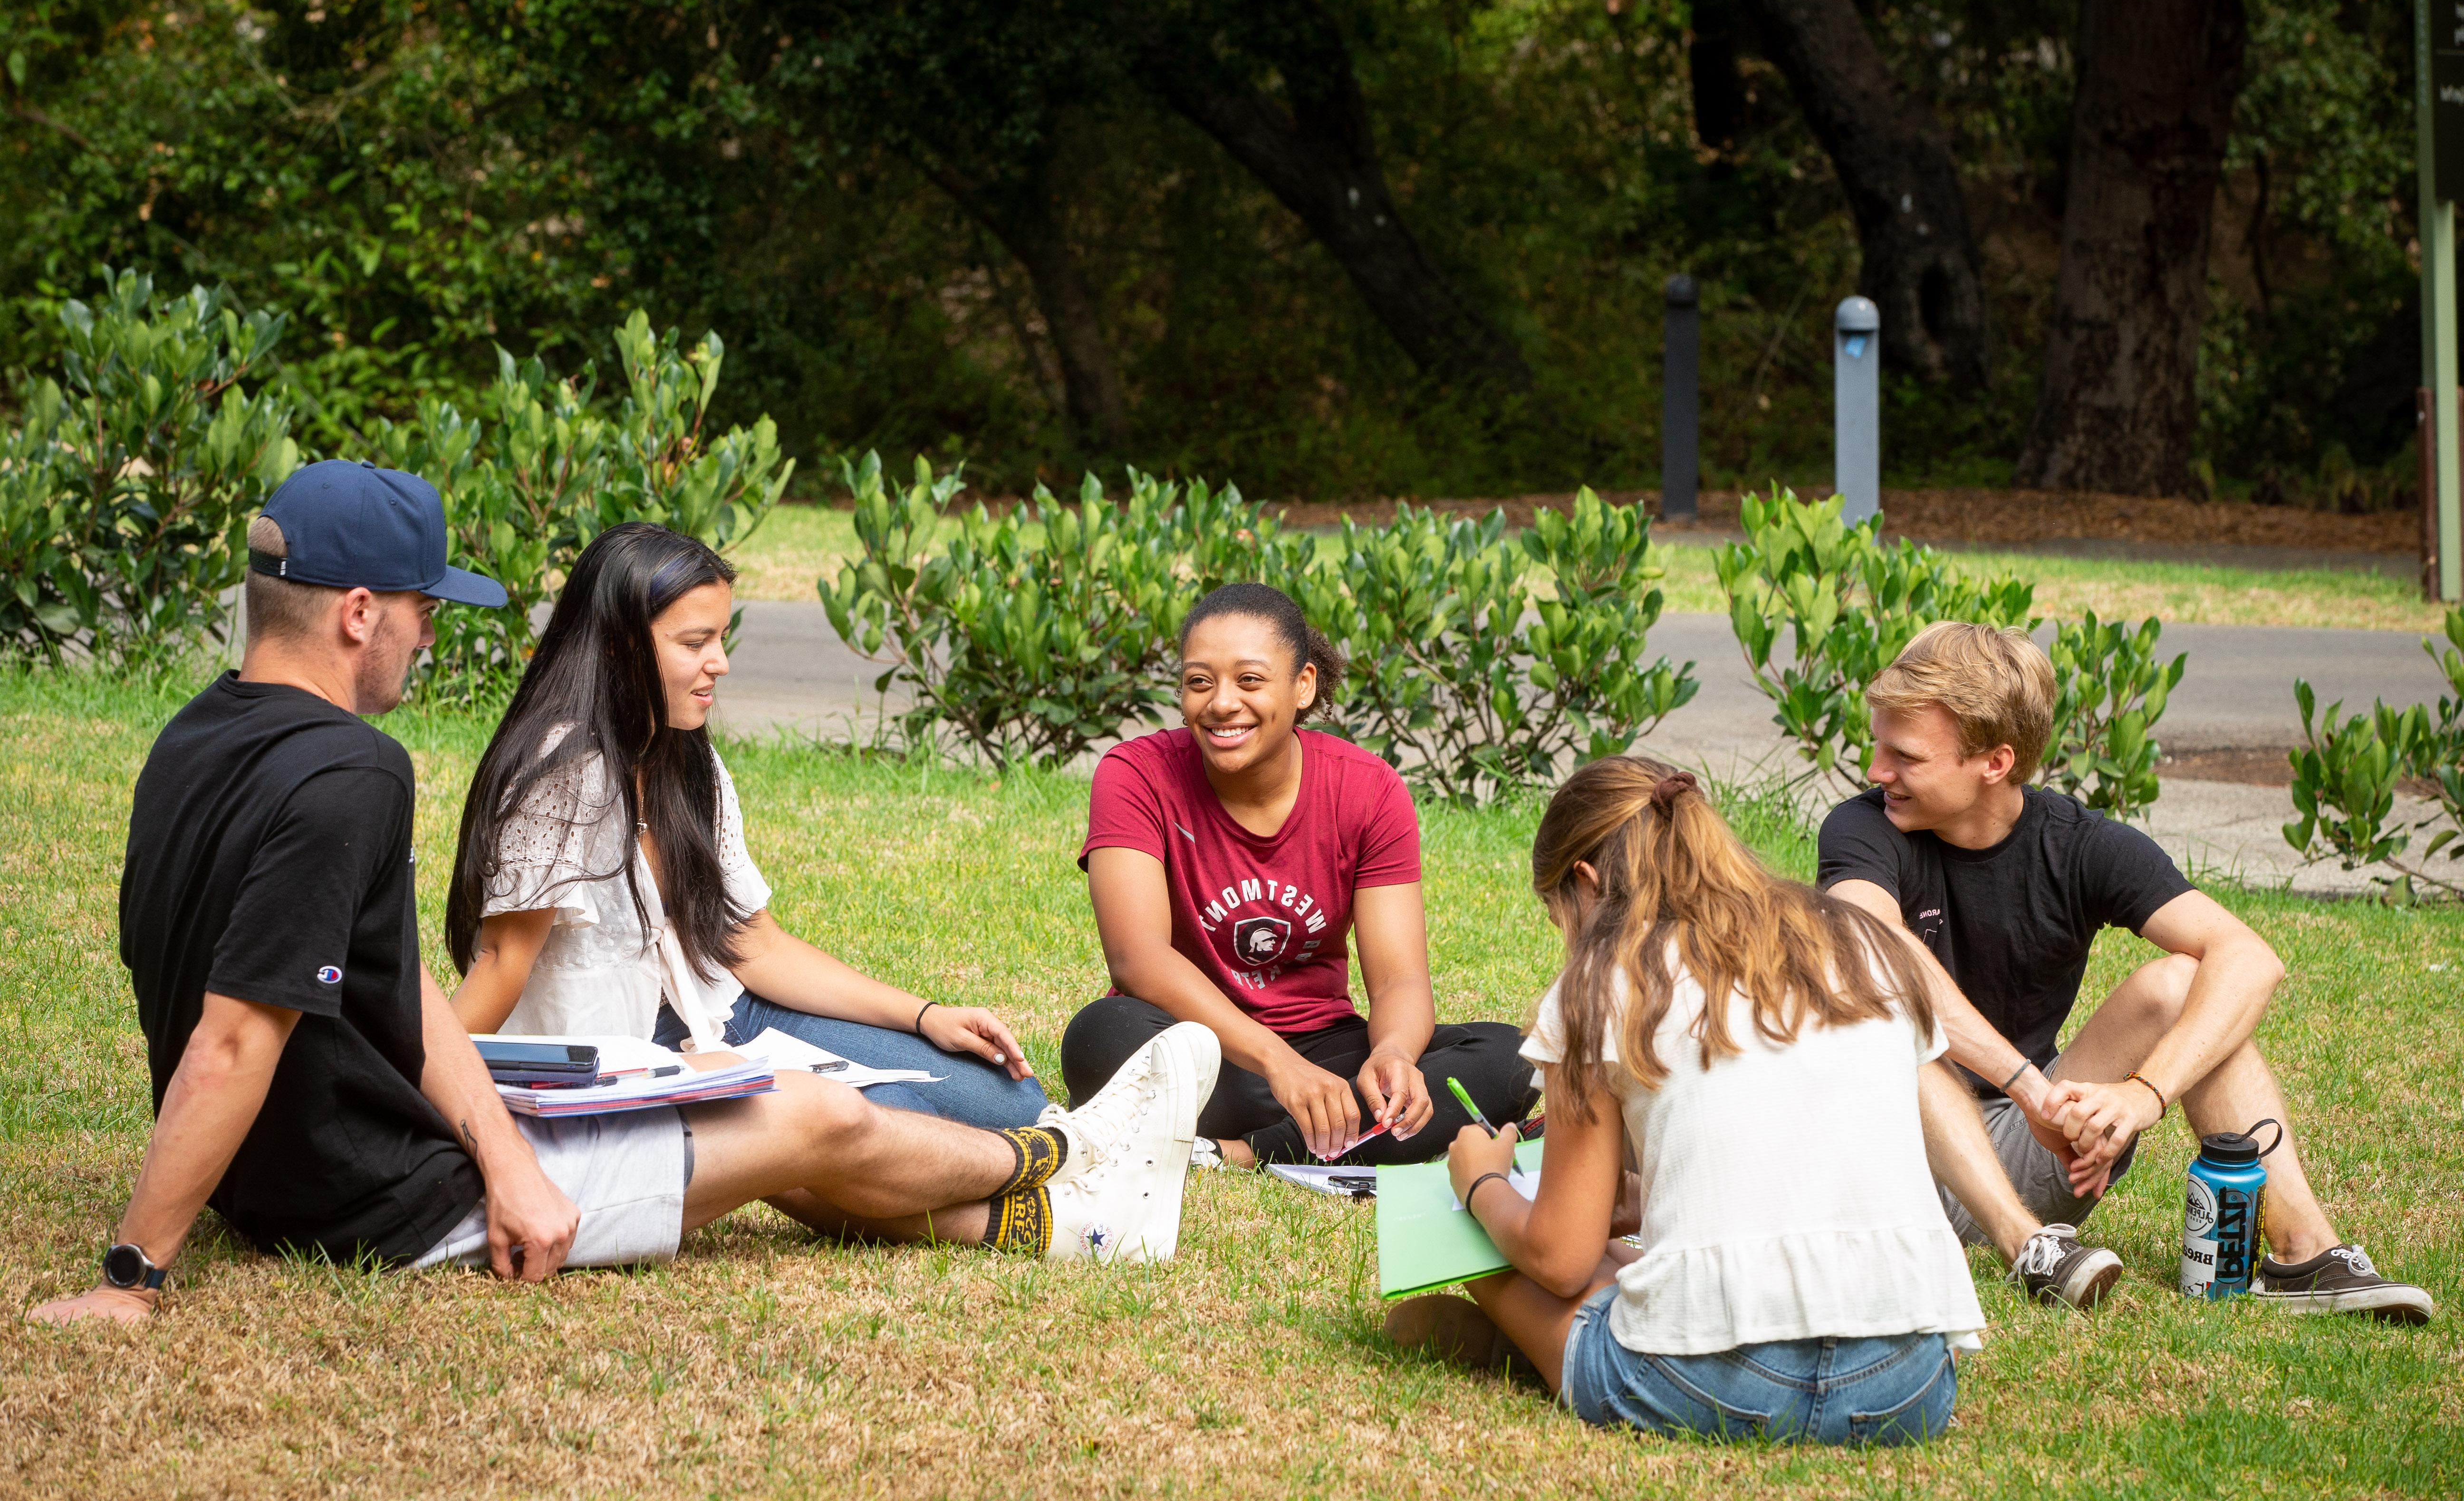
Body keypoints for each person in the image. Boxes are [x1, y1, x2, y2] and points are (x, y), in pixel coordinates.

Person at [31, 465, 1216, 1327]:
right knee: (810, 1120)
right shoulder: (354, 770)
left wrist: (493, 1140)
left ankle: (1076, 1221)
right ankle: (1067, 1151)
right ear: (358, 613)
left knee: (787, 1139)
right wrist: (131, 1271)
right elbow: (236, 1031)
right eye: (423, 612)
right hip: (373, 1199)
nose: (429, 638)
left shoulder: (193, 734)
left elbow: (394, 998)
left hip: (352, 1160)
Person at [1819, 621, 2434, 1323]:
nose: (1876, 772)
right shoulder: (1862, 829)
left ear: (1994, 762)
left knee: (2181, 983)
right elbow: (1875, 949)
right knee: (1904, 1028)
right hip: (1890, 1163)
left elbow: (2250, 958)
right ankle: (2024, 1246)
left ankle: (2303, 1254)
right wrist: (2027, 1086)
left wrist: (2143, 1097)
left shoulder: (2079, 845)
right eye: (1879, 746)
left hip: (2040, 1150)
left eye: (1905, 756)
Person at [1386, 755, 1984, 1444]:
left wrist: (1482, 1183)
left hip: (1714, 1387)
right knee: (1621, 1253)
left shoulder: (1602, 981)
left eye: (1559, 919)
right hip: (1909, 1387)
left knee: (1490, 1248)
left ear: (1585, 882)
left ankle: (1536, 1352)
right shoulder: (1864, 942)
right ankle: (1557, 1347)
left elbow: (1559, 1258)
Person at [446, 522, 1047, 1132]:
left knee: (1014, 1103)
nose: (721, 664)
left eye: (722, 637)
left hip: (719, 1009)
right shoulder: (561, 773)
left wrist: (927, 1016)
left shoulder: (687, 755)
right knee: (903, 1122)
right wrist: (420, 1108)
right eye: (695, 643)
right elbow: (501, 960)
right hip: (628, 1055)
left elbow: (755, 944)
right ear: (617, 647)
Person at [1062, 582, 1536, 1168]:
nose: (1222, 704)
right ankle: (1330, 1132)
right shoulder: (1135, 775)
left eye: (1250, 681)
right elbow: (1138, 961)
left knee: (1515, 1058)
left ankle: (1247, 1152)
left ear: (1303, 685)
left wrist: (1393, 1053)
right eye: (1199, 682)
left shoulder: (1367, 789)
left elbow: (1398, 979)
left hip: (1324, 1049)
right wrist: (1277, 1065)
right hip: (1198, 1044)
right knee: (1101, 1036)